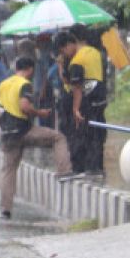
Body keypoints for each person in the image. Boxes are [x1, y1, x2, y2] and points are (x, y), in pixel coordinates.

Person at [0, 56, 71, 218]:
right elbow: (24, 106)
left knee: (8, 170)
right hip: (24, 130)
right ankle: (64, 171)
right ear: (30, 69)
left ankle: (5, 209)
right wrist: (39, 112)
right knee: (58, 138)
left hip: (8, 134)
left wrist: (0, 123)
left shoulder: (3, 84)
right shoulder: (25, 84)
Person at [55, 31, 106, 179]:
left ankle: (83, 168)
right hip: (99, 99)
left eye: (64, 50)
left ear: (70, 44)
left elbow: (76, 87)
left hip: (86, 102)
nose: (64, 53)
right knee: (98, 133)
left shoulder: (77, 61)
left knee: (82, 135)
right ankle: (97, 168)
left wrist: (75, 108)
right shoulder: (95, 52)